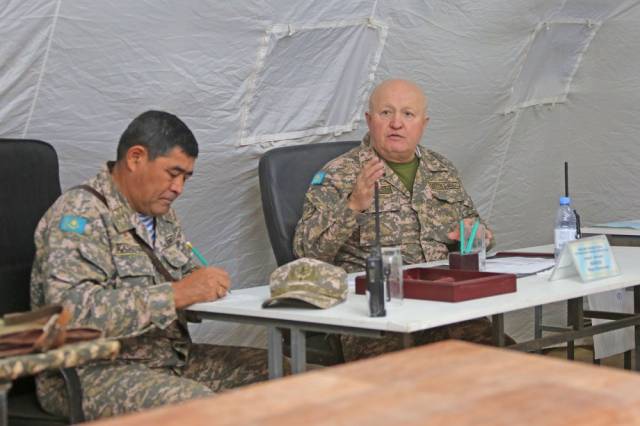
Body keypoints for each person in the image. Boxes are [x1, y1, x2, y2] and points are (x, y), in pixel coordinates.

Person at [30, 111, 269, 420]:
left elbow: (185, 276)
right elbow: (70, 316)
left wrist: (204, 286)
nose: (178, 187)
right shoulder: (80, 215)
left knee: (285, 375)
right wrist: (177, 294)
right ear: (136, 158)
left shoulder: (161, 216)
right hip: (91, 372)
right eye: (173, 173)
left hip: (167, 359)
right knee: (202, 409)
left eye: (186, 178)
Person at [293, 79, 509, 361]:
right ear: (369, 120)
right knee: (400, 374)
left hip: (443, 306)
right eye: (386, 113)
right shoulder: (339, 174)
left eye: (408, 114)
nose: (396, 123)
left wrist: (477, 235)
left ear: (423, 123)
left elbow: (479, 233)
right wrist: (353, 205)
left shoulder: (441, 169)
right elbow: (305, 252)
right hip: (374, 315)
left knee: (506, 361)